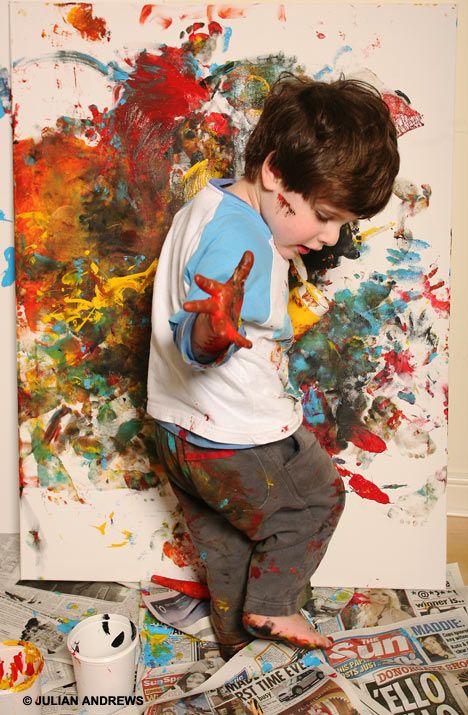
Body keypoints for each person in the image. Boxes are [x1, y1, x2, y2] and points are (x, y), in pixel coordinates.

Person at [147, 74, 399, 657]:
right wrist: (213, 332)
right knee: (315, 502)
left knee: (230, 546)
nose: (330, 236)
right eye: (327, 215)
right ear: (276, 174)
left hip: (176, 431)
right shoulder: (248, 248)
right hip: (237, 435)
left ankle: (244, 648)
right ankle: (273, 607)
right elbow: (198, 338)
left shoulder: (210, 205)